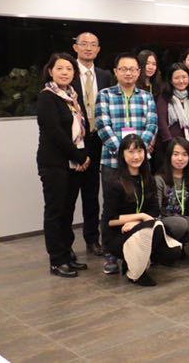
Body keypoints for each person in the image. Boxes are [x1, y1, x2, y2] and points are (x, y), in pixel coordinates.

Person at [95, 52, 158, 275]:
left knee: (138, 202)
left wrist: (137, 153)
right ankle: (111, 254)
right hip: (112, 161)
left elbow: (152, 125)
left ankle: (137, 247)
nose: (129, 72)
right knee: (111, 209)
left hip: (141, 162)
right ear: (116, 71)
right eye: (124, 69)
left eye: (133, 69)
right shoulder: (105, 95)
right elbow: (102, 126)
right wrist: (124, 153)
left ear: (139, 72)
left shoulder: (147, 97)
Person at [101, 134, 182, 286]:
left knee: (173, 253)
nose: (136, 156)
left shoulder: (148, 179)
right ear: (122, 154)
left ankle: (133, 260)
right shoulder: (115, 182)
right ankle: (136, 273)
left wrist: (138, 222)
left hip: (140, 228)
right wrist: (141, 218)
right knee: (155, 228)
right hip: (117, 235)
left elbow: (154, 211)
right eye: (131, 152)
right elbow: (110, 220)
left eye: (139, 151)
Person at [37, 53, 91, 277]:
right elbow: (54, 134)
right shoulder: (47, 97)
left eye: (69, 69)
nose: (65, 72)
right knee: (55, 211)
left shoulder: (72, 97)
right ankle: (56, 260)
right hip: (55, 162)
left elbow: (80, 130)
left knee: (68, 211)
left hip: (72, 162)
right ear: (50, 71)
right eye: (60, 68)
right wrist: (79, 157)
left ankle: (67, 253)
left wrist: (81, 156)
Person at [71, 32, 112, 256]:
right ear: (75, 47)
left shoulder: (104, 75)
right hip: (76, 140)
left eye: (93, 45)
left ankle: (91, 239)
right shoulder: (67, 73)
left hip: (99, 138)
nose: (88, 48)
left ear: (98, 50)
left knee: (91, 191)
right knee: (71, 191)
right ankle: (65, 245)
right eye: (84, 44)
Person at [155, 137, 189, 245]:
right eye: (176, 154)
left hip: (183, 217)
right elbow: (156, 208)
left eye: (184, 155)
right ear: (169, 156)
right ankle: (166, 244)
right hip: (164, 219)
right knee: (179, 224)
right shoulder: (159, 179)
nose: (180, 158)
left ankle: (180, 245)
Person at [156, 63, 189, 165]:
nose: (181, 81)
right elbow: (161, 121)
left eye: (184, 77)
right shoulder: (164, 97)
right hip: (170, 147)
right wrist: (170, 143)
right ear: (170, 80)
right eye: (176, 78)